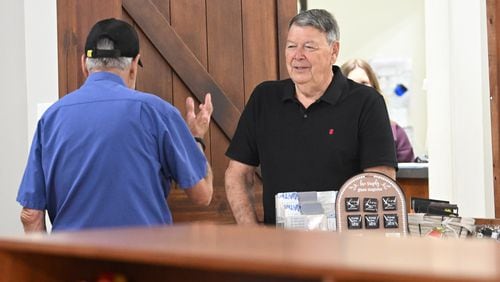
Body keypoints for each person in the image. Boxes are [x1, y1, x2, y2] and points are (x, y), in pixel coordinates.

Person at [17, 18, 214, 232]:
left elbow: (31, 215)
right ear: (133, 65)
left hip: (73, 262)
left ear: (84, 64)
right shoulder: (158, 112)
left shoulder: (51, 119)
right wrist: (195, 138)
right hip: (142, 261)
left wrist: (49, 265)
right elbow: (202, 196)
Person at [225, 9, 397, 225]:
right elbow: (236, 174)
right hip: (278, 249)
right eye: (291, 46)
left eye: (309, 47)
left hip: (343, 249)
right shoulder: (264, 98)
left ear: (334, 51)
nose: (298, 56)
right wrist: (251, 233)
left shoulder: (366, 102)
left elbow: (380, 181)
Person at [341, 58, 415, 162]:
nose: (359, 90)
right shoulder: (331, 131)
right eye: (352, 83)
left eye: (364, 83)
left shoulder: (396, 133)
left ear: (374, 88)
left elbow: (409, 176)